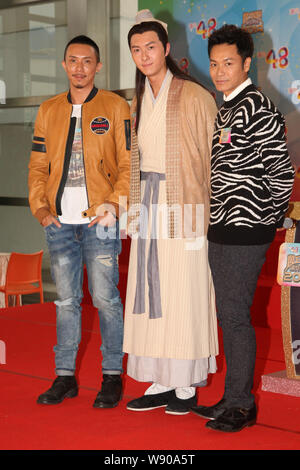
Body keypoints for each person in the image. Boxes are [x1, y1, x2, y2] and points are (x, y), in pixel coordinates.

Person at [192, 25, 295, 431]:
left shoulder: (259, 107)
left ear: (247, 63)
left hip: (246, 232)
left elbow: (282, 175)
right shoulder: (227, 108)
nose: (219, 72)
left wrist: (263, 223)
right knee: (228, 315)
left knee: (235, 316)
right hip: (221, 229)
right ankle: (232, 397)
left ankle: (242, 406)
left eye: (228, 63)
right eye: (214, 64)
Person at [122, 10, 219, 416]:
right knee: (151, 292)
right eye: (135, 50)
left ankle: (186, 385)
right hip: (148, 201)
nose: (143, 56)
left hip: (187, 206)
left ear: (166, 48)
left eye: (150, 47)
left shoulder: (195, 95)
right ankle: (161, 378)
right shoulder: (138, 99)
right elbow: (134, 159)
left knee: (184, 291)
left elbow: (215, 158)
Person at [28, 35, 130, 408]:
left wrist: (114, 205)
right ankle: (65, 377)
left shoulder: (116, 106)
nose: (80, 68)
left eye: (87, 61)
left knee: (105, 299)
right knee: (66, 302)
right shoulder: (48, 109)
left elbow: (127, 164)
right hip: (59, 223)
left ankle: (112, 376)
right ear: (64, 65)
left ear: (98, 66)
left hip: (99, 220)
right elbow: (38, 166)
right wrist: (40, 209)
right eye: (73, 60)